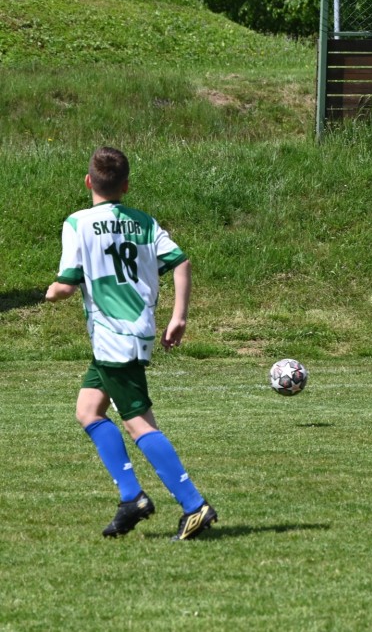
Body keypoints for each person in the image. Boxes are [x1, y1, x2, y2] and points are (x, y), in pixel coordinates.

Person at [45, 147, 217, 540]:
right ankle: (131, 497)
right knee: (88, 410)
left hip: (113, 338)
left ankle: (194, 505)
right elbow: (181, 262)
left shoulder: (78, 223)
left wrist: (52, 292)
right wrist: (179, 316)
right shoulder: (144, 222)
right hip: (135, 332)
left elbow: (66, 285)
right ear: (125, 186)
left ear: (88, 181)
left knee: (138, 424)